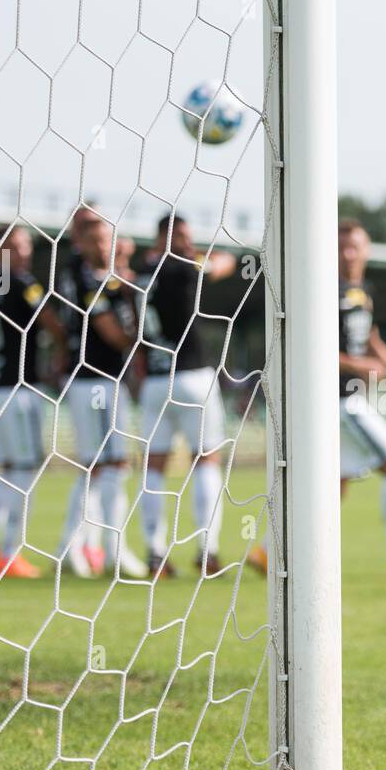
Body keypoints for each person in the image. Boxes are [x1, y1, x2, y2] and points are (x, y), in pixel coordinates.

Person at [254, 219, 386, 580]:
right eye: (341, 246)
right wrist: (370, 368)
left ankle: (267, 551)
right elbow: (318, 348)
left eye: (354, 246)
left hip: (349, 399)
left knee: (335, 484)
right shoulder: (325, 290)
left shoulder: (362, 289)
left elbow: (369, 333)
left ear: (367, 249)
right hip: (340, 400)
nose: (348, 253)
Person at [135, 213, 237, 578]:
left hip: (155, 381)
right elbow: (220, 265)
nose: (187, 241)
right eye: (180, 235)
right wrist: (221, 257)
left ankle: (154, 552)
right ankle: (207, 551)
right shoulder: (179, 267)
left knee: (155, 466)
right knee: (206, 460)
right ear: (162, 236)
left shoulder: (142, 272)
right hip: (192, 375)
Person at [55, 210, 147, 578]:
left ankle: (83, 547)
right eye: (94, 239)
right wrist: (142, 345)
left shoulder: (96, 276)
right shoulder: (81, 277)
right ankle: (107, 549)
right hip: (93, 380)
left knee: (104, 467)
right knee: (105, 466)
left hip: (108, 380)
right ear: (80, 241)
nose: (102, 245)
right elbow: (112, 333)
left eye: (106, 238)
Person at [0, 225, 65, 578]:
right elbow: (51, 322)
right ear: (0, 251)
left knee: (10, 467)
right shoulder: (22, 281)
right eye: (15, 245)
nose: (24, 251)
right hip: (18, 389)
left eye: (27, 245)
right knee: (26, 469)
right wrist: (60, 352)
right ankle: (10, 553)